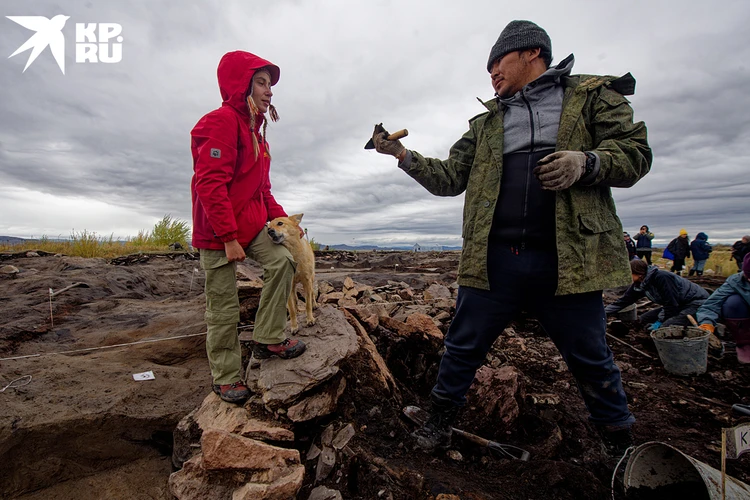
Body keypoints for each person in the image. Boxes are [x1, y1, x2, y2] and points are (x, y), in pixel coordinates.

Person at [370, 20, 651, 457]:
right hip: (495, 259)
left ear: (532, 53)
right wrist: (402, 155)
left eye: (497, 61)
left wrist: (588, 162)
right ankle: (438, 424)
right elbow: (449, 178)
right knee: (461, 347)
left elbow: (636, 154)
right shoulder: (486, 123)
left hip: (567, 261)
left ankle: (619, 447)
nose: (492, 73)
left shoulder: (591, 96)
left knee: (591, 358)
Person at [191, 51, 306, 404]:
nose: (269, 91)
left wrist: (286, 222)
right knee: (223, 306)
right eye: (261, 82)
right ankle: (225, 377)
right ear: (240, 85)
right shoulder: (221, 122)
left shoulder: (258, 133)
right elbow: (209, 185)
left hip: (252, 224)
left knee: (283, 261)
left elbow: (263, 190)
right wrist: (227, 237)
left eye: (270, 84)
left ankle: (268, 336)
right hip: (217, 232)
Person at [605, 259, 708, 329]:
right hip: (678, 305)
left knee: (666, 327)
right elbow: (624, 301)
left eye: (628, 274)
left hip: (696, 304)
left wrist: (660, 321)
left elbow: (671, 303)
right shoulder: (639, 283)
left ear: (639, 273)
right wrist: (603, 312)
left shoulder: (662, 278)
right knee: (643, 319)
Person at [697, 253, 750, 364]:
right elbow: (711, 304)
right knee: (733, 303)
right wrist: (707, 323)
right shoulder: (736, 281)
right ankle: (745, 343)